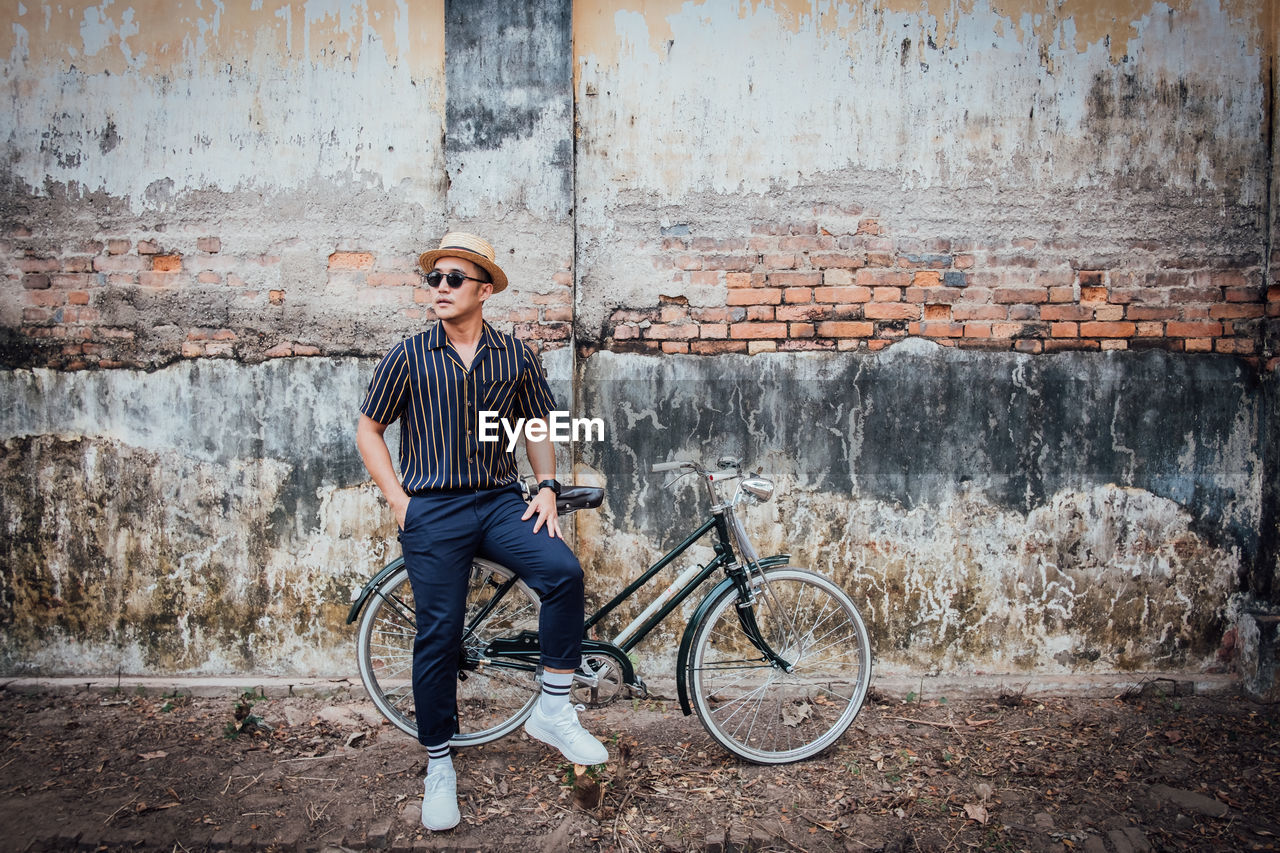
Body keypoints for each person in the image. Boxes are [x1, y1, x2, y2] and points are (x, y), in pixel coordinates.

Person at [355, 232, 608, 832]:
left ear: (484, 289)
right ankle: (439, 764)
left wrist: (545, 486)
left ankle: (552, 709)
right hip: (432, 509)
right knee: (439, 635)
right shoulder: (410, 354)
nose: (439, 288)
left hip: (498, 501)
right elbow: (369, 430)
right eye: (433, 278)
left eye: (453, 279)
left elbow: (538, 424)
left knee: (563, 574)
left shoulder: (514, 355)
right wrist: (399, 502)